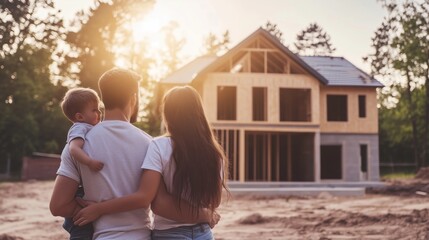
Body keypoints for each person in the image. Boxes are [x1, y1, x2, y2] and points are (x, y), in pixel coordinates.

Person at [50, 69, 216, 240]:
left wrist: (88, 210)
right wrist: (205, 214)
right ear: (133, 97)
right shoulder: (150, 144)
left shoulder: (78, 146)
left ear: (103, 98)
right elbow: (157, 201)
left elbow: (58, 206)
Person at [59, 87, 104, 239]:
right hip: (78, 192)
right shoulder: (79, 127)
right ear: (79, 116)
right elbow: (74, 148)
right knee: (83, 231)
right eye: (94, 110)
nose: (99, 113)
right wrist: (89, 162)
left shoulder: (89, 127)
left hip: (83, 190)